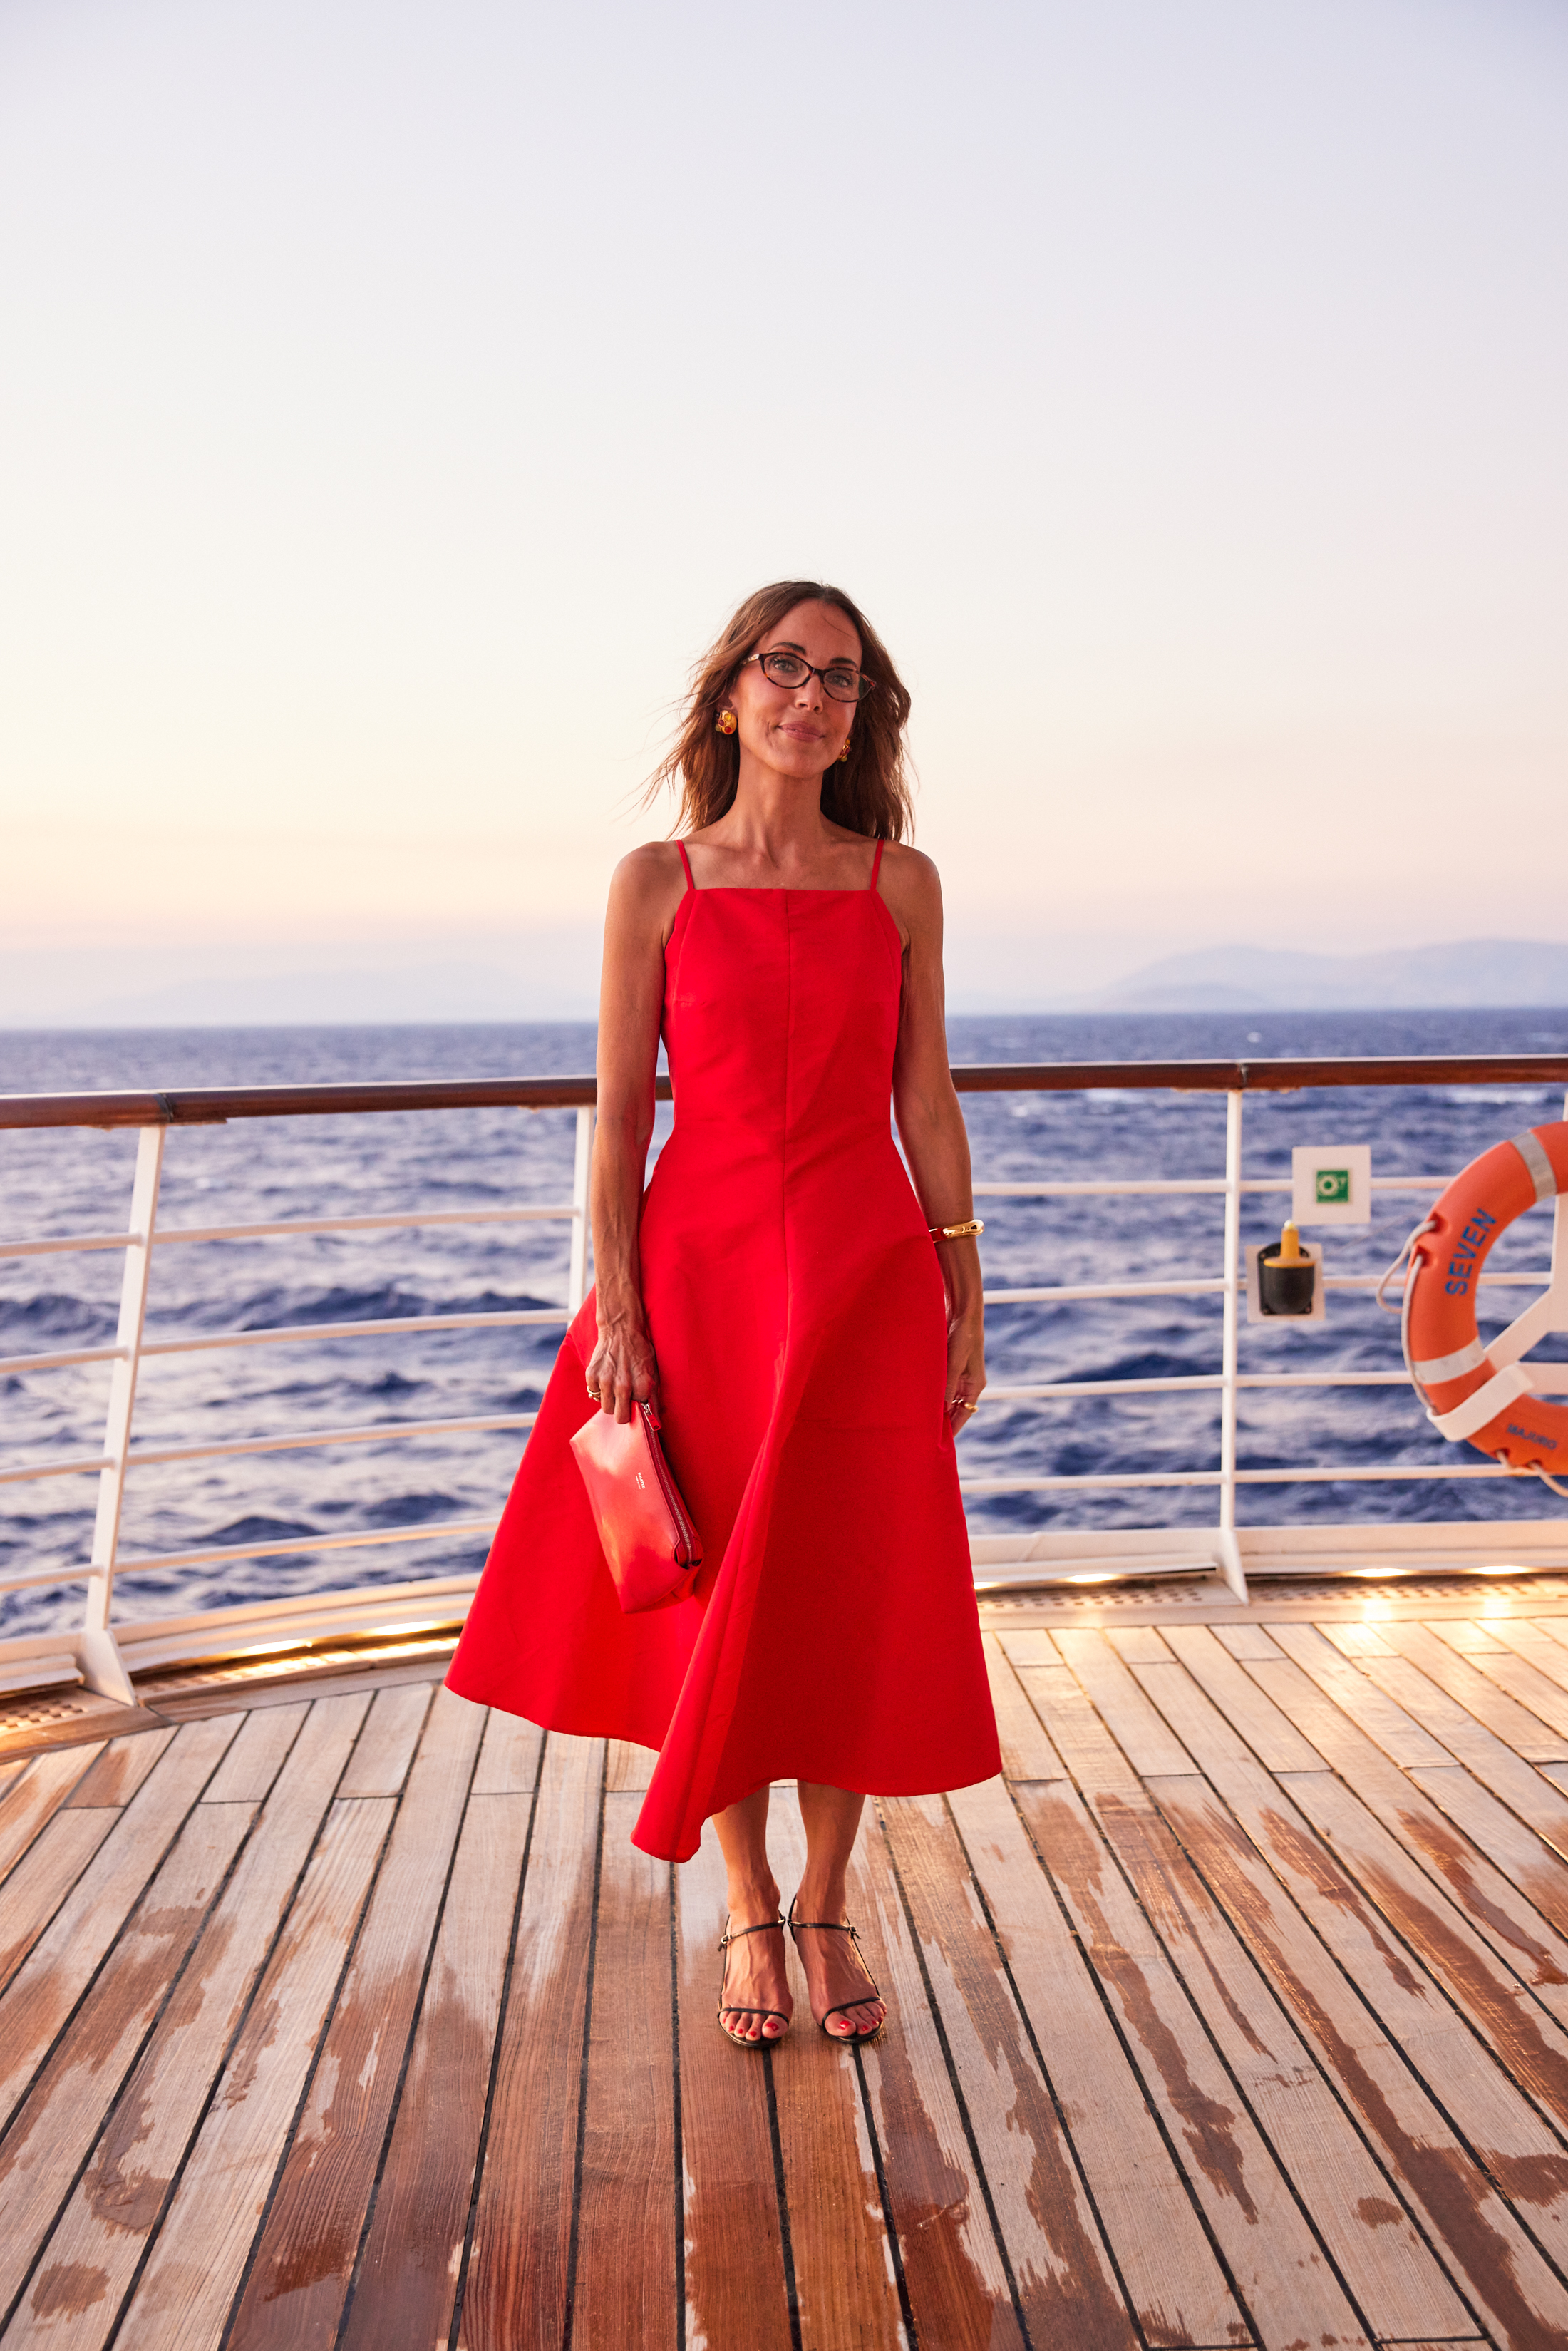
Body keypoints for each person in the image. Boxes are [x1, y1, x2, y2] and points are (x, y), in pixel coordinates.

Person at [447, 580, 1001, 2046]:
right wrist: (614, 1302)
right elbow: (621, 1109)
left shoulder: (899, 881)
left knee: (846, 1595)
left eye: (841, 677)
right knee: (718, 1605)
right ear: (728, 695)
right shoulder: (656, 881)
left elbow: (924, 1098)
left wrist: (962, 1280)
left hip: (863, 1274)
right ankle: (749, 1908)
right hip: (696, 1281)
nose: (811, 695)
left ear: (858, 713)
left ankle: (827, 1901)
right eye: (783, 666)